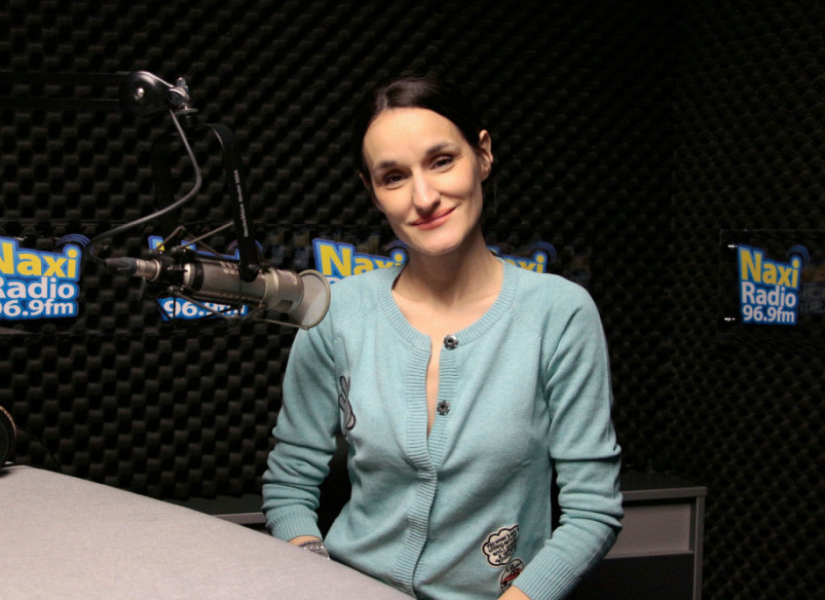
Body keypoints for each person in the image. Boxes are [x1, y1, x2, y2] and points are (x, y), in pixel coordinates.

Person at [262, 74, 623, 600]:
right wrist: (320, 578)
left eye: (441, 161)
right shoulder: (335, 313)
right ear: (372, 192)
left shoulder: (560, 313)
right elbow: (289, 483)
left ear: (483, 155)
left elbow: (593, 512)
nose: (424, 197)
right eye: (393, 177)